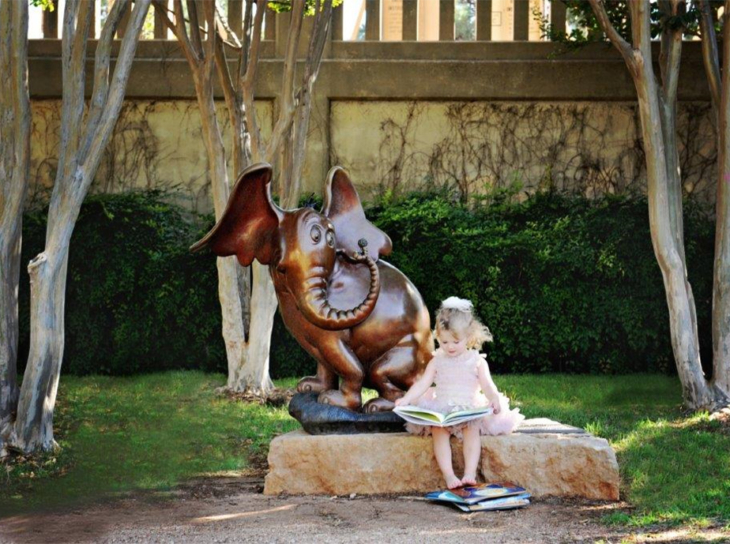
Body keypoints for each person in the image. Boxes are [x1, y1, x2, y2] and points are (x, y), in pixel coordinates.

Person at [395, 297, 524, 489]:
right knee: (438, 430)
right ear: (438, 337)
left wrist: (494, 398)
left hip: (468, 408)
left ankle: (469, 473)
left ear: (469, 336)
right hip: (443, 408)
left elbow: (488, 386)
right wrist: (406, 399)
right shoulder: (437, 360)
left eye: (456, 341)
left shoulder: (477, 361)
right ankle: (449, 475)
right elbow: (423, 384)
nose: (450, 347)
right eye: (445, 341)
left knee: (471, 429)